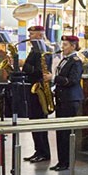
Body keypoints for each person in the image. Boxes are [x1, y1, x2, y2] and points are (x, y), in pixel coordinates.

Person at [50, 35, 84, 172]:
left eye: (65, 45)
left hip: (70, 99)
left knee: (66, 133)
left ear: (73, 46)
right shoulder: (65, 60)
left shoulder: (76, 61)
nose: (62, 47)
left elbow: (73, 80)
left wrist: (53, 78)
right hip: (62, 98)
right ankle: (61, 160)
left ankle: (66, 161)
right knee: (60, 131)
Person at [21, 25, 53, 161]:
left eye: (33, 34)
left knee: (39, 122)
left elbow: (40, 71)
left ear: (40, 35)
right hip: (32, 87)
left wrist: (24, 64)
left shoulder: (43, 50)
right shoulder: (34, 49)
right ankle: (38, 150)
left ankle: (44, 152)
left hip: (39, 87)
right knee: (34, 121)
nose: (30, 36)